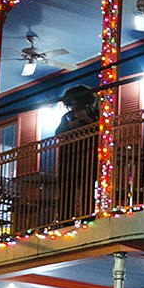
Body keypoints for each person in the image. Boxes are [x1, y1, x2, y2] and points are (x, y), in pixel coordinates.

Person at [55, 84, 99, 221]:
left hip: (88, 157)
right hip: (69, 158)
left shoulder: (94, 113)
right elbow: (58, 134)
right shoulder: (67, 117)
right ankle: (65, 219)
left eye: (76, 101)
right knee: (67, 190)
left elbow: (101, 130)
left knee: (88, 188)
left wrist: (88, 121)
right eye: (72, 102)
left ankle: (88, 217)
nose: (74, 104)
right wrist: (70, 127)